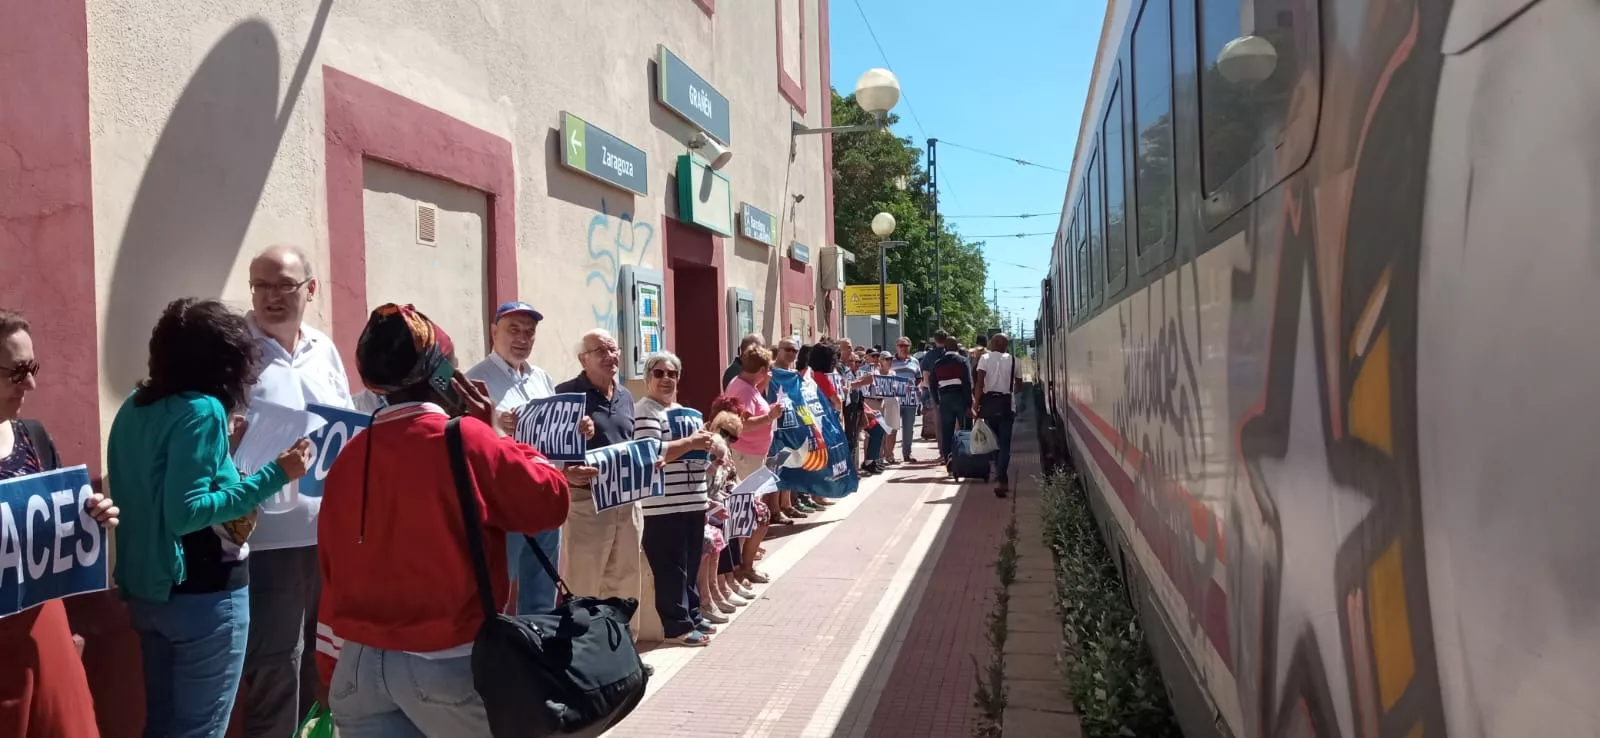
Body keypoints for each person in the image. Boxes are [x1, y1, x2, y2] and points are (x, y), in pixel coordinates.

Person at [315, 304, 570, 736]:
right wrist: (495, 433)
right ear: (440, 376)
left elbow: (332, 567)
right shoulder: (467, 439)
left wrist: (329, 667)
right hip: (446, 660)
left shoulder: (350, 454)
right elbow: (550, 501)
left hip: (359, 665)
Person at [107, 298, 313, 738]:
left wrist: (225, 454)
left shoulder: (134, 406)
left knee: (162, 726)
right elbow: (187, 512)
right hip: (203, 595)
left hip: (148, 594)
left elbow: (161, 486)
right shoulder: (202, 410)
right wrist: (278, 474)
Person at [239, 245, 353, 738]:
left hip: (326, 538)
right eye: (260, 285)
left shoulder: (324, 349)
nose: (272, 296)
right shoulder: (235, 351)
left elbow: (346, 426)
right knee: (275, 669)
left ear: (310, 289)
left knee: (321, 665)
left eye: (284, 284)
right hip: (265, 543)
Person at [0, 309, 119, 738]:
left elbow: (57, 530)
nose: (30, 384)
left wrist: (93, 515)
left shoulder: (33, 436)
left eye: (31, 368)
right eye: (16, 372)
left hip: (44, 628)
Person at [467, 300, 589, 617]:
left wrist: (579, 428)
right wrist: (494, 424)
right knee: (496, 589)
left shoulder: (542, 378)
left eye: (529, 332)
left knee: (542, 590)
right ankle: (494, 646)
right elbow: (466, 440)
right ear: (494, 332)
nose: (522, 338)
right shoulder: (476, 381)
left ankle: (538, 643)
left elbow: (556, 430)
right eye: (514, 330)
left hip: (545, 493)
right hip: (504, 502)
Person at [630, 352, 719, 645]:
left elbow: (694, 450)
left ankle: (692, 614)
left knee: (690, 564)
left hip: (694, 499)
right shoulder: (644, 411)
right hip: (662, 505)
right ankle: (676, 627)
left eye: (672, 374)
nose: (666, 379)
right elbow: (651, 452)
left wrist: (709, 448)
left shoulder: (683, 411)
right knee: (670, 568)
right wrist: (692, 442)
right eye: (659, 373)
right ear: (648, 378)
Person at [554, 329, 642, 618]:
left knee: (626, 581)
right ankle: (583, 642)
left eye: (613, 349)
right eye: (600, 351)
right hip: (586, 503)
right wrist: (566, 473)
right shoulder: (565, 394)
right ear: (583, 359)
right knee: (584, 582)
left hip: (625, 501)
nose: (609, 356)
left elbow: (628, 442)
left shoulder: (626, 395)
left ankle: (623, 641)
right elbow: (547, 446)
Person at [722, 347, 783, 581]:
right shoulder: (742, 389)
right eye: (767, 369)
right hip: (746, 456)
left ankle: (744, 559)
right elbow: (741, 424)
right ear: (761, 369)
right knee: (750, 512)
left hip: (753, 455)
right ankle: (742, 567)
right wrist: (769, 417)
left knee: (752, 511)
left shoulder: (748, 386)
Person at [973, 333, 1021, 497]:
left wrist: (976, 404)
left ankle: (1000, 477)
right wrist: (1008, 391)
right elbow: (1019, 386)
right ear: (1006, 345)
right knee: (1005, 444)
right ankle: (1002, 478)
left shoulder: (985, 359)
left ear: (993, 343)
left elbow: (979, 383)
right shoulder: (1015, 360)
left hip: (989, 406)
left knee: (993, 442)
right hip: (1007, 405)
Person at [930, 334, 974, 463]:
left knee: (947, 430)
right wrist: (969, 404)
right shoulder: (963, 361)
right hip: (961, 398)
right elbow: (967, 383)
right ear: (956, 347)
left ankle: (948, 458)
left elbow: (932, 385)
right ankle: (965, 457)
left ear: (945, 348)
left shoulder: (938, 363)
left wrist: (937, 402)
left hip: (945, 399)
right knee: (965, 430)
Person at [891, 338, 922, 462]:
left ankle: (907, 454)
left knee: (909, 428)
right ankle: (889, 454)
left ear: (910, 347)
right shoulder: (890, 361)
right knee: (892, 427)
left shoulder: (915, 361)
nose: (903, 348)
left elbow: (918, 378)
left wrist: (917, 388)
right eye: (901, 345)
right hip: (895, 399)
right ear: (896, 347)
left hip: (910, 399)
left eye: (906, 345)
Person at [919, 330, 949, 442]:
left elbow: (925, 375)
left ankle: (941, 447)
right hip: (950, 390)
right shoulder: (950, 353)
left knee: (938, 421)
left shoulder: (929, 355)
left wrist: (930, 389)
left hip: (935, 391)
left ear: (935, 340)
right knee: (951, 420)